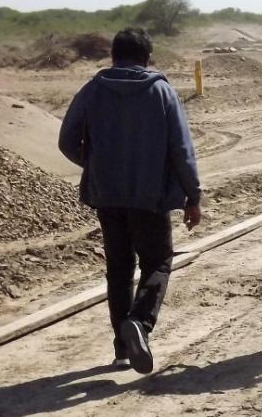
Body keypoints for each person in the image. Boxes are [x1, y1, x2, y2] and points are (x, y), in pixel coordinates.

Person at [58, 27, 202, 374]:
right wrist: (192, 196)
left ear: (113, 56)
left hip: (107, 195)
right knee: (158, 261)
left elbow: (66, 140)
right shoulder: (162, 92)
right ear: (147, 57)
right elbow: (181, 150)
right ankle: (139, 321)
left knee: (119, 268)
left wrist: (94, 167)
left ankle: (122, 349)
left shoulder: (93, 90)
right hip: (150, 197)